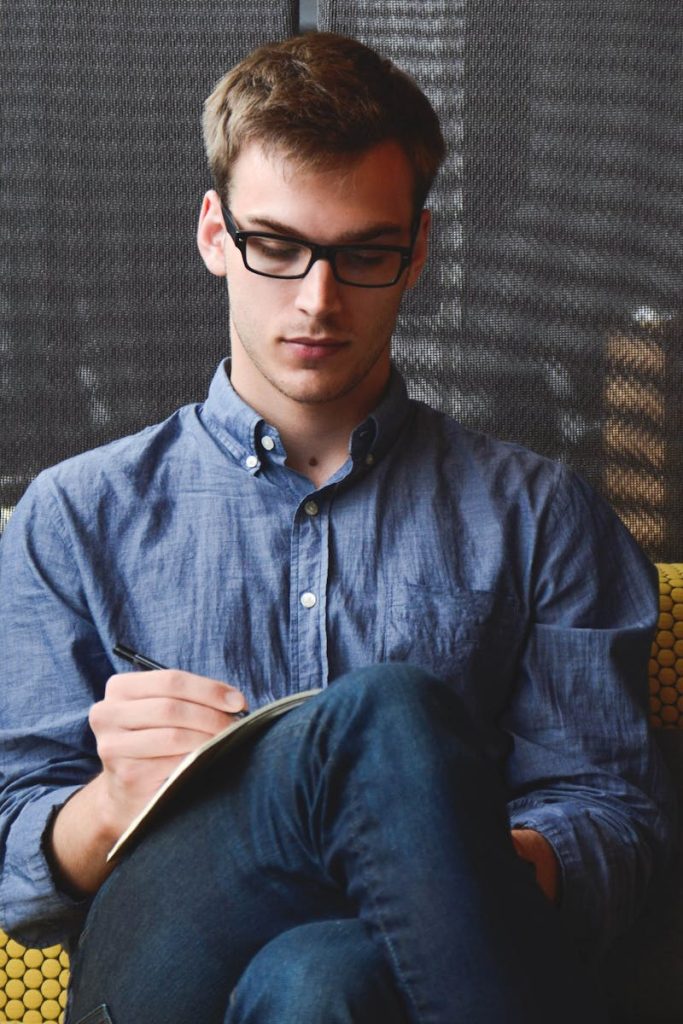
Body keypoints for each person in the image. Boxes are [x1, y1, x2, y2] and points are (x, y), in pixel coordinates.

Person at [0, 31, 675, 1024]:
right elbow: (16, 872)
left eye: (362, 254)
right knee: (383, 714)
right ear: (214, 235)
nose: (316, 301)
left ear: (417, 252)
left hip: (387, 973)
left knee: (326, 977)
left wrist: (435, 859)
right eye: (275, 246)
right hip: (160, 972)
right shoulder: (73, 515)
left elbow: (616, 830)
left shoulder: (540, 515)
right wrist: (107, 799)